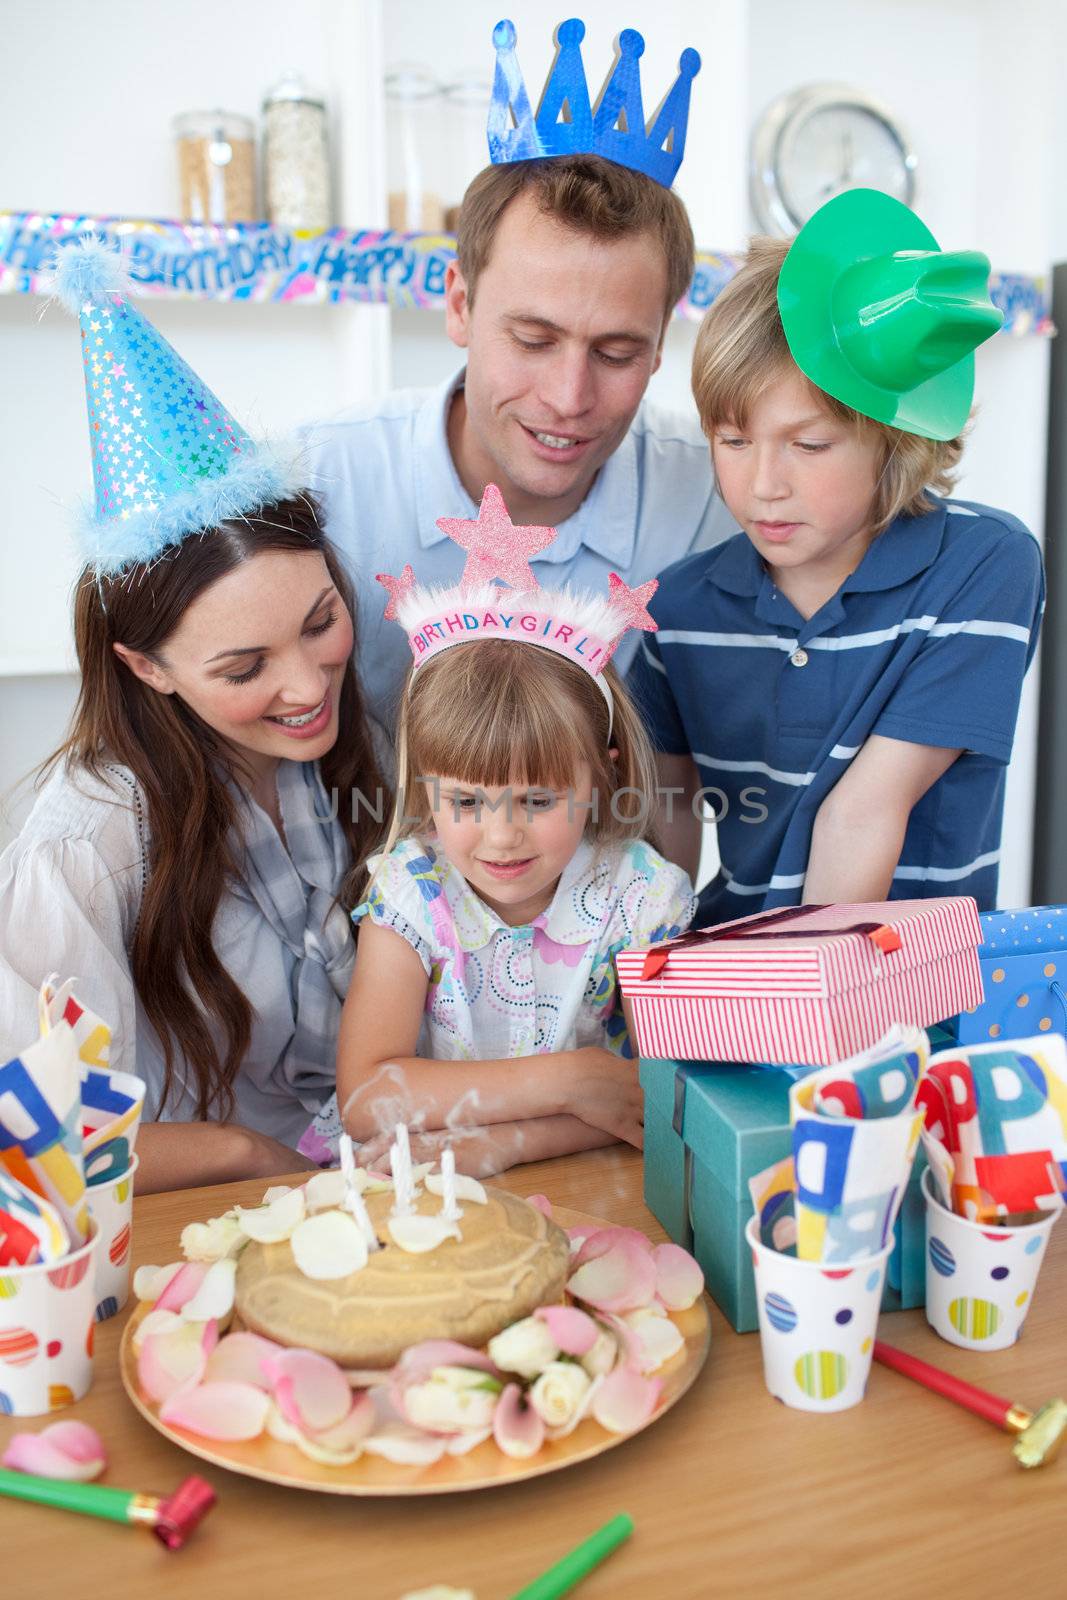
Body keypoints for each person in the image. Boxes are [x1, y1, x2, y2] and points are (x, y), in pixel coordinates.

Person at [0, 240, 388, 1192]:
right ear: (147, 667)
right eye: (245, 666)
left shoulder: (349, 751)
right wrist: (249, 1157)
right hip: (199, 1223)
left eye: (320, 623)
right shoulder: (89, 837)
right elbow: (31, 1129)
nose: (306, 686)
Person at [304, 16, 736, 725]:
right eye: (533, 340)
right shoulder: (319, 487)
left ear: (661, 344)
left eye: (617, 353)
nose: (569, 399)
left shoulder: (724, 494)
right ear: (458, 305)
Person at [628, 189, 1045, 923]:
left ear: (895, 435)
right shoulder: (675, 614)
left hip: (910, 995)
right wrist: (644, 989)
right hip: (733, 991)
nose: (762, 485)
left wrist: (802, 1025)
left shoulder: (984, 566)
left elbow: (860, 812)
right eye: (731, 440)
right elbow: (662, 840)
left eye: (808, 444)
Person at [300, 491, 696, 1175]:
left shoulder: (643, 898)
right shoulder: (411, 894)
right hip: (424, 1198)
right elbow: (366, 1097)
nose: (501, 836)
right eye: (466, 801)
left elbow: (661, 1097)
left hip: (588, 1181)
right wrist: (568, 1081)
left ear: (599, 778)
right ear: (428, 786)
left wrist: (497, 1143)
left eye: (536, 799)